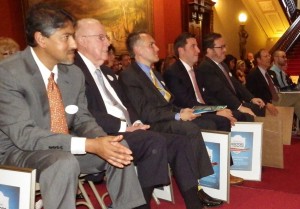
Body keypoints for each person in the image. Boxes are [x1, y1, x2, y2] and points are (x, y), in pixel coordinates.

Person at [0, 4, 146, 209]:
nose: (74, 44)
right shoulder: (8, 73)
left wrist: (102, 140)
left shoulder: (73, 73)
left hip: (62, 148)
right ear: (42, 39)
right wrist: (89, 145)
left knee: (118, 148)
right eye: (66, 37)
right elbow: (24, 135)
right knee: (62, 162)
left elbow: (82, 119)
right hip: (17, 153)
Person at [74, 18, 220, 209]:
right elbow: (85, 113)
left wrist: (135, 123)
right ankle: (140, 205)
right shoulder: (74, 71)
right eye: (101, 37)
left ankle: (194, 204)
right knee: (155, 141)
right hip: (101, 133)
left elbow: (127, 105)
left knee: (180, 143)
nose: (108, 43)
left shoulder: (107, 71)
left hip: (131, 129)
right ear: (83, 40)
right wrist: (125, 126)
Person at [118, 31, 229, 207]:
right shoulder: (129, 76)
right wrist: (177, 115)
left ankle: (197, 189)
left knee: (194, 126)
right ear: (138, 50)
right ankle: (198, 187)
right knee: (189, 129)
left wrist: (181, 110)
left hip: (166, 118)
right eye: (151, 45)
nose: (157, 48)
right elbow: (145, 112)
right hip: (152, 124)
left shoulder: (155, 75)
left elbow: (168, 103)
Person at [163, 32, 243, 185]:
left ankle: (224, 169)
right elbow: (186, 102)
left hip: (201, 109)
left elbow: (207, 97)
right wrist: (215, 110)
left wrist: (219, 108)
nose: (198, 50)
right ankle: (217, 172)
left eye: (197, 46)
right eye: (193, 46)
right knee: (217, 121)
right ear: (181, 50)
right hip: (188, 113)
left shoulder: (196, 71)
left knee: (224, 118)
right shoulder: (173, 73)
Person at [196, 32, 265, 120]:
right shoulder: (206, 67)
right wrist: (240, 107)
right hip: (220, 106)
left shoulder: (223, 65)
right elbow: (220, 91)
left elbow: (236, 84)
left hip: (233, 103)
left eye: (225, 46)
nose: (225, 50)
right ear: (209, 50)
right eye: (221, 47)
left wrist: (251, 98)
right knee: (248, 115)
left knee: (259, 107)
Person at [246, 49, 300, 119]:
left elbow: (277, 87)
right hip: (269, 101)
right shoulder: (253, 74)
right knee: (298, 97)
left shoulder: (271, 73)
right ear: (258, 60)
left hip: (279, 96)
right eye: (266, 56)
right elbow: (251, 94)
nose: (269, 58)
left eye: (269, 55)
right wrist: (266, 103)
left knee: (298, 100)